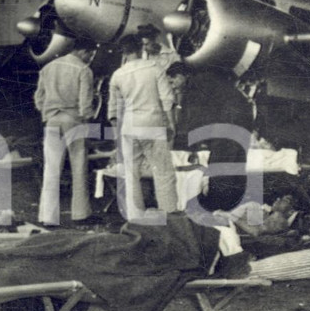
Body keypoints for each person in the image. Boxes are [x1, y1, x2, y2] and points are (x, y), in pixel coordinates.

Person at [166, 62, 255, 212]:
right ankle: (233, 205)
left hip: (229, 123)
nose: (172, 86)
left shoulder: (195, 87)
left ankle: (218, 206)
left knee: (221, 163)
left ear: (182, 75)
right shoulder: (203, 80)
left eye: (172, 81)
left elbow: (194, 121)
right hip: (242, 120)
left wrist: (183, 143)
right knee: (236, 162)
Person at [108, 34, 177, 218]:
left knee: (131, 174)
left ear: (123, 52)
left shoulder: (117, 75)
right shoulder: (154, 68)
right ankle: (169, 215)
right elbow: (167, 99)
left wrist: (117, 136)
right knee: (163, 172)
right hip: (153, 124)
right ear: (141, 48)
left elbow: (113, 110)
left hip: (129, 127)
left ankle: (135, 217)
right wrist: (171, 124)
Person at [33, 47, 94, 225]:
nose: (90, 58)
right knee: (79, 167)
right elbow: (85, 102)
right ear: (82, 51)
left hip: (52, 120)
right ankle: (81, 215)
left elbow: (39, 98)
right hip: (74, 120)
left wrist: (47, 113)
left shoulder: (48, 67)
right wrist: (86, 119)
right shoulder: (83, 69)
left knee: (51, 169)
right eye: (90, 54)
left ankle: (47, 217)